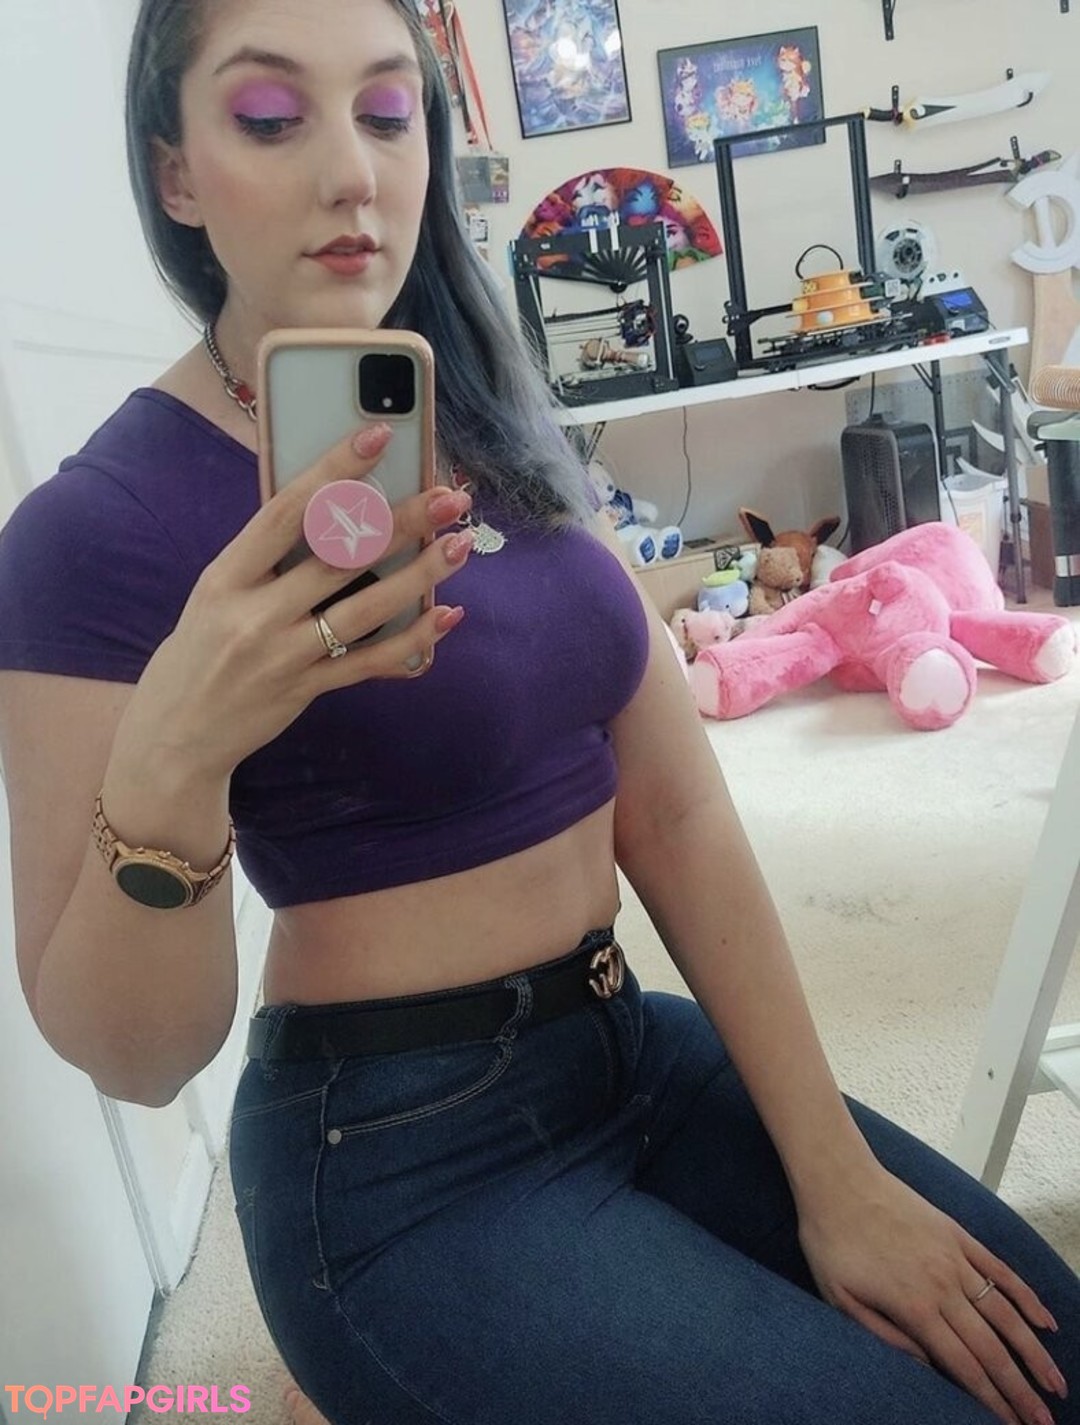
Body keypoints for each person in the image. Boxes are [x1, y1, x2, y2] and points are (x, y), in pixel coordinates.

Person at [0, 3, 1076, 1424]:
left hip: (634, 1046)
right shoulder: (93, 531)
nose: (353, 172)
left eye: (388, 114)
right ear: (177, 173)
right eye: (270, 118)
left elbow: (676, 811)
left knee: (1050, 1359)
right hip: (396, 1154)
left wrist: (838, 1176)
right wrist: (177, 752)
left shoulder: (487, 411)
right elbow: (136, 1057)